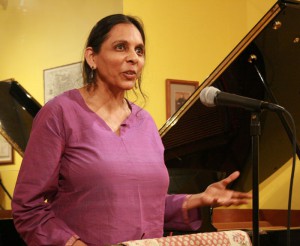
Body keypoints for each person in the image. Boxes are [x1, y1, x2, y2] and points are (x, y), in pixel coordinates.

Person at [11, 14, 252, 246]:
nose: (133, 58)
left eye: (139, 50)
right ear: (92, 57)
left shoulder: (145, 122)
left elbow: (147, 207)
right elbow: (28, 207)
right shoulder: (60, 113)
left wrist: (197, 199)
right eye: (120, 47)